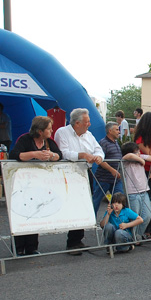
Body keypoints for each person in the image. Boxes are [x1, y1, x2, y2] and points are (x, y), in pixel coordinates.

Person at [9, 116, 63, 255]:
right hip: (23, 182)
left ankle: (32, 247)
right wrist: (35, 154)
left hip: (40, 182)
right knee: (22, 211)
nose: (51, 131)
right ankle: (18, 247)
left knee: (36, 211)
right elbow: (14, 154)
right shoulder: (25, 139)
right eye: (49, 128)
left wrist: (52, 155)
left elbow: (59, 155)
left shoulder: (49, 142)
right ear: (40, 131)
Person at [54, 108, 104, 255]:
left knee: (84, 205)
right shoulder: (62, 132)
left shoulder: (89, 135)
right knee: (73, 206)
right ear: (77, 123)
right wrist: (81, 155)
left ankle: (78, 238)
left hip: (85, 172)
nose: (89, 124)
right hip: (69, 173)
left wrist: (99, 157)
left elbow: (98, 149)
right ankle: (71, 242)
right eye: (87, 122)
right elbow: (63, 152)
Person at [120, 142, 151, 240]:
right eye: (137, 152)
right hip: (132, 192)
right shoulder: (125, 161)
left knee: (147, 215)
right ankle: (132, 237)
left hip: (144, 190)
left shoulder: (139, 156)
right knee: (134, 217)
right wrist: (141, 160)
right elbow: (129, 155)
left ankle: (136, 234)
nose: (139, 153)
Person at [93, 122, 124, 218]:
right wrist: (111, 170)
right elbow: (100, 160)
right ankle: (91, 219)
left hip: (115, 179)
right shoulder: (103, 143)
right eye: (116, 129)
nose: (119, 132)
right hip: (104, 178)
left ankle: (114, 220)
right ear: (110, 131)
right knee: (96, 200)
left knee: (119, 199)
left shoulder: (116, 143)